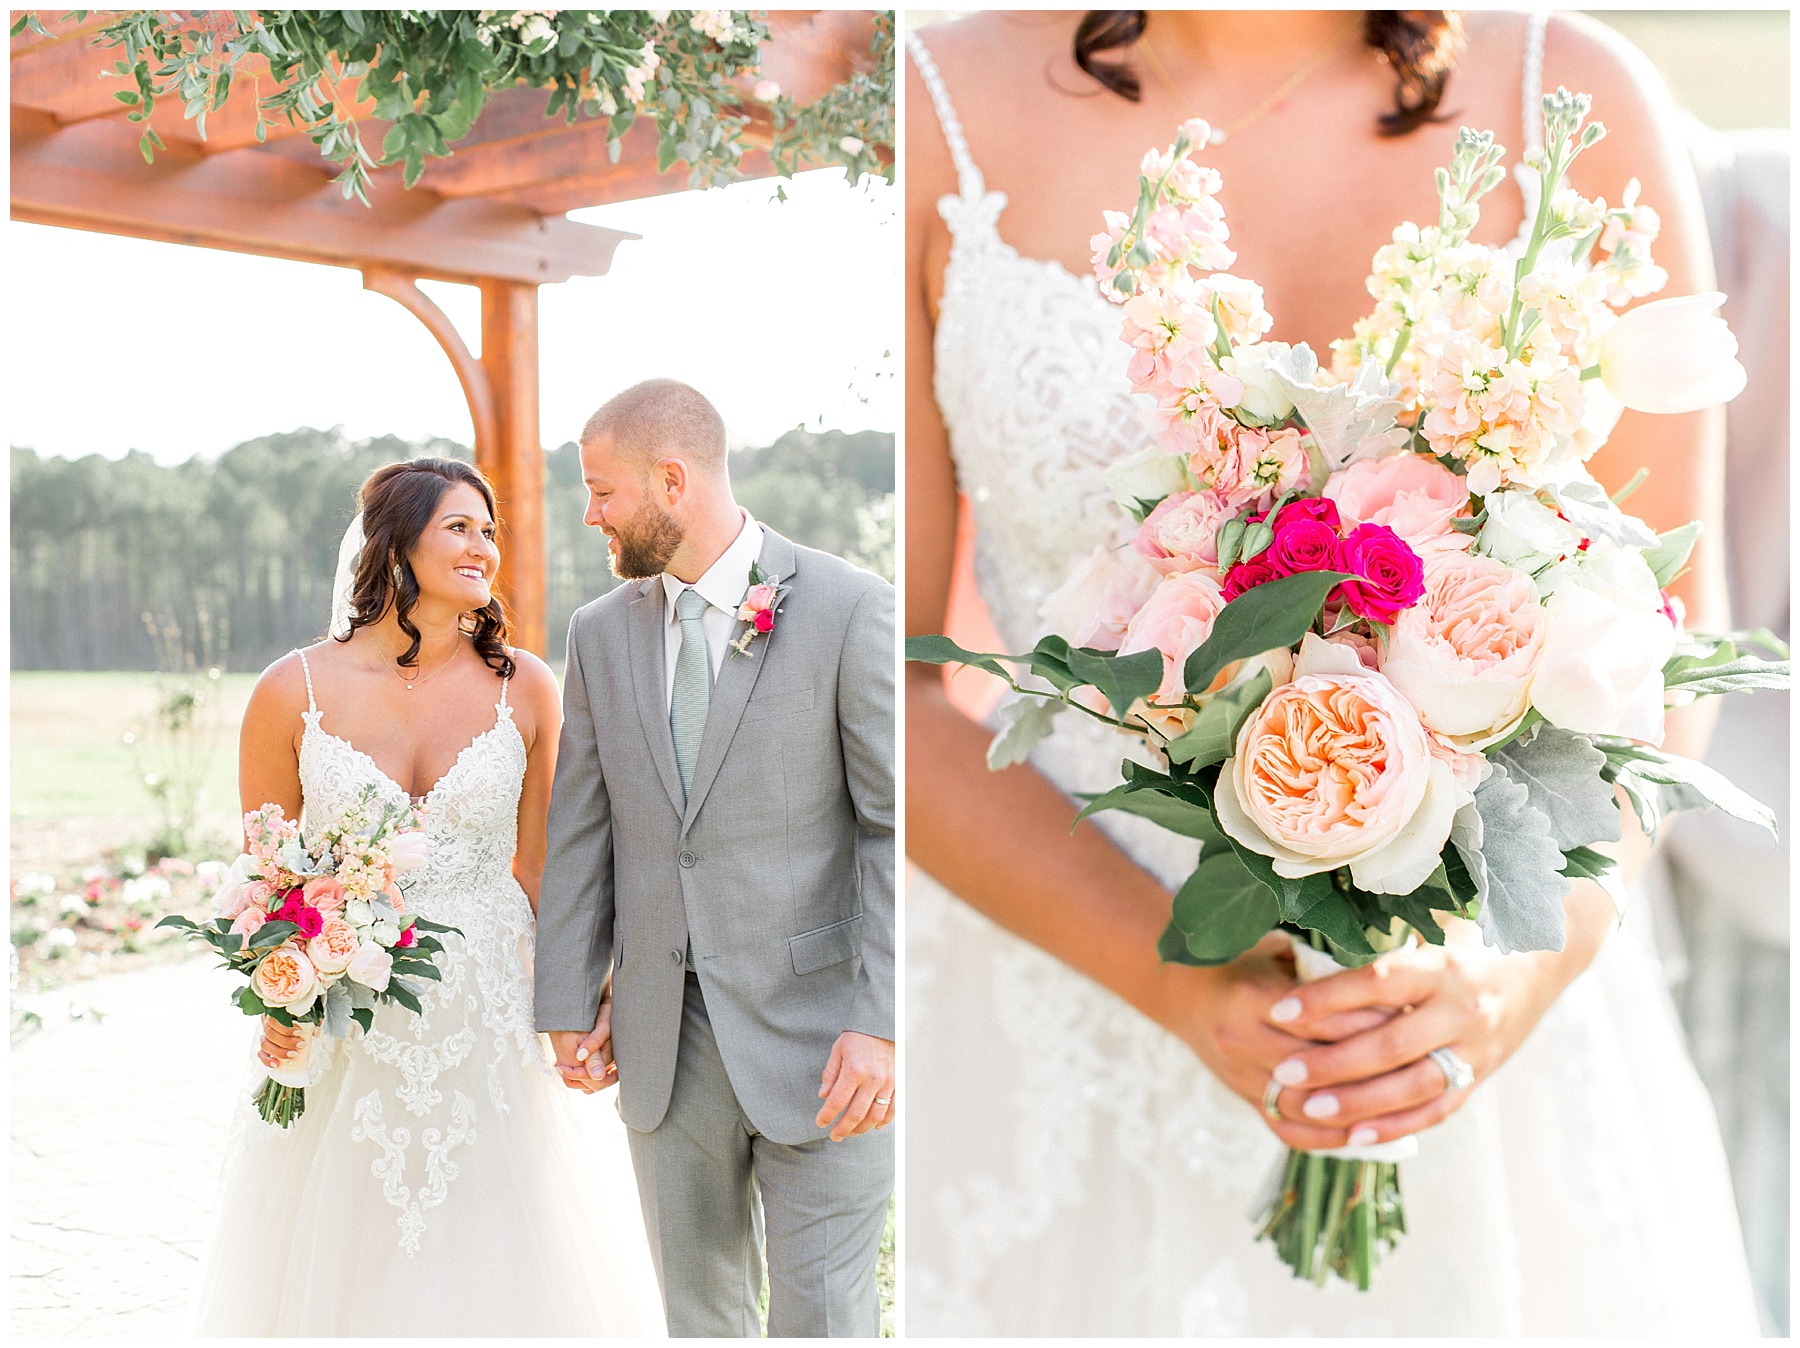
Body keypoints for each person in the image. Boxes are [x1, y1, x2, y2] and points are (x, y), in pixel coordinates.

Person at [904, 10, 1759, 1335]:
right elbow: (891, 689)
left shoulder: (1575, 92)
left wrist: (1522, 972)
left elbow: (1672, 647)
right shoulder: (935, 104)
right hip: (1069, 1003)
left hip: (1479, 1022)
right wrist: (1172, 981)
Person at [191, 458, 659, 1336]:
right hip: (349, 1019)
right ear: (393, 546)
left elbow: (545, 869)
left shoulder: (527, 687)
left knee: (499, 1247)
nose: (484, 546)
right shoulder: (289, 691)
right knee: (347, 1253)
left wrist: (585, 992)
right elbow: (266, 873)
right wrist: (278, 989)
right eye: (459, 527)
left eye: (489, 530)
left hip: (490, 1018)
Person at [533, 378, 896, 1337]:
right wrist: (570, 1000)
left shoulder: (851, 609)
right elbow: (582, 827)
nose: (591, 513)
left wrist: (885, 1022)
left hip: (827, 1042)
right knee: (700, 1322)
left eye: (603, 491)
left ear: (671, 479)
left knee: (824, 1319)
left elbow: (896, 828)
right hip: (664, 1040)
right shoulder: (599, 634)